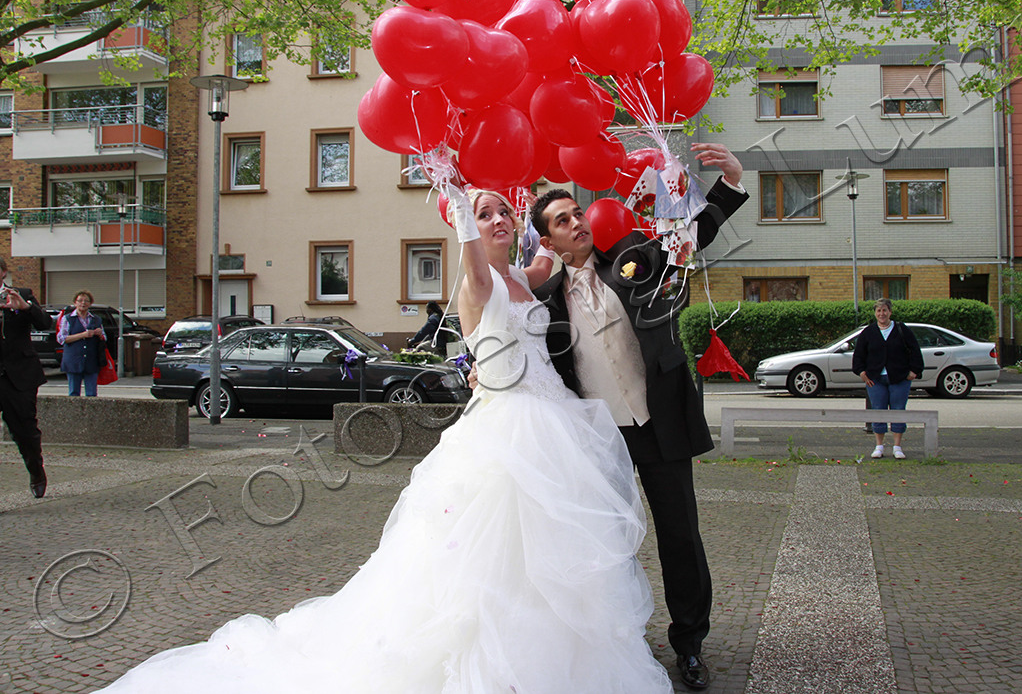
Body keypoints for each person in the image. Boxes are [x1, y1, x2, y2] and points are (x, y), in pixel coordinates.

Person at [93, 185, 672, 694]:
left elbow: (560, 251)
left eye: (503, 212)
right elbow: (474, 256)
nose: (498, 220)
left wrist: (659, 206)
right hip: (508, 429)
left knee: (554, 551)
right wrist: (458, 199)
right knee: (495, 552)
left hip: (554, 423)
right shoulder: (476, 281)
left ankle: (555, 649)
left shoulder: (523, 278)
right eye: (485, 214)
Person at [530, 142, 748, 690]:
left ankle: (689, 644)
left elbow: (690, 238)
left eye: (577, 213)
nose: (577, 222)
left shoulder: (630, 256)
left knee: (681, 537)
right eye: (562, 220)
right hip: (600, 441)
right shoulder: (545, 302)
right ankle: (619, 643)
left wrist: (731, 183)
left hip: (660, 423)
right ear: (547, 240)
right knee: (610, 547)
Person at [0, 257, 53, 498]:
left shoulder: (22, 294)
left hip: (18, 375)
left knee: (24, 431)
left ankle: (36, 471)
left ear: (3, 274)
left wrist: (26, 307)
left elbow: (45, 323)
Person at [851, 298, 923, 460]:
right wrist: (861, 372)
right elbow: (859, 355)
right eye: (878, 311)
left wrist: (914, 371)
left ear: (890, 312)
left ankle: (897, 446)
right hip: (875, 379)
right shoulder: (869, 332)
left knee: (898, 410)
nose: (881, 314)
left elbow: (915, 351)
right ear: (875, 313)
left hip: (899, 378)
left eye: (884, 310)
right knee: (878, 410)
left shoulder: (901, 329)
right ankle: (879, 446)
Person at [57, 289, 106, 396]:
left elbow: (104, 338)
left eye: (86, 301)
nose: (83, 303)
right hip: (73, 360)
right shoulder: (68, 319)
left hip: (91, 360)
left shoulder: (96, 319)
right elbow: (62, 339)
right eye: (80, 301)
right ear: (75, 303)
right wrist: (82, 335)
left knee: (92, 393)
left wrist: (100, 335)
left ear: (90, 303)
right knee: (74, 393)